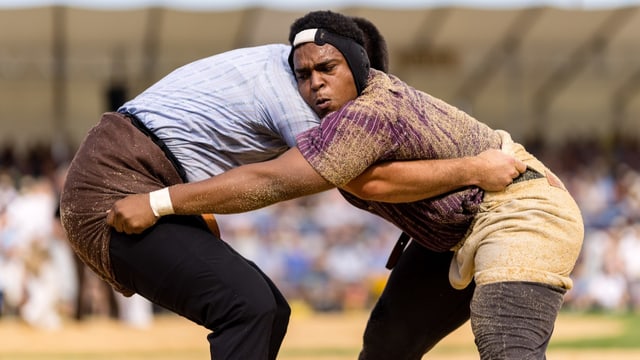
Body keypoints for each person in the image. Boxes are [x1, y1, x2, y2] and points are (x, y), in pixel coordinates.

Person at [107, 10, 584, 360]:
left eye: (327, 69)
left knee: (508, 345)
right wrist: (470, 170)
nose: (315, 84)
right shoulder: (340, 125)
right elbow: (371, 183)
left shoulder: (371, 111)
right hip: (455, 228)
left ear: (359, 67)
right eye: (304, 74)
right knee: (385, 346)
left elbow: (272, 181)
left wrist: (160, 201)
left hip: (519, 206)